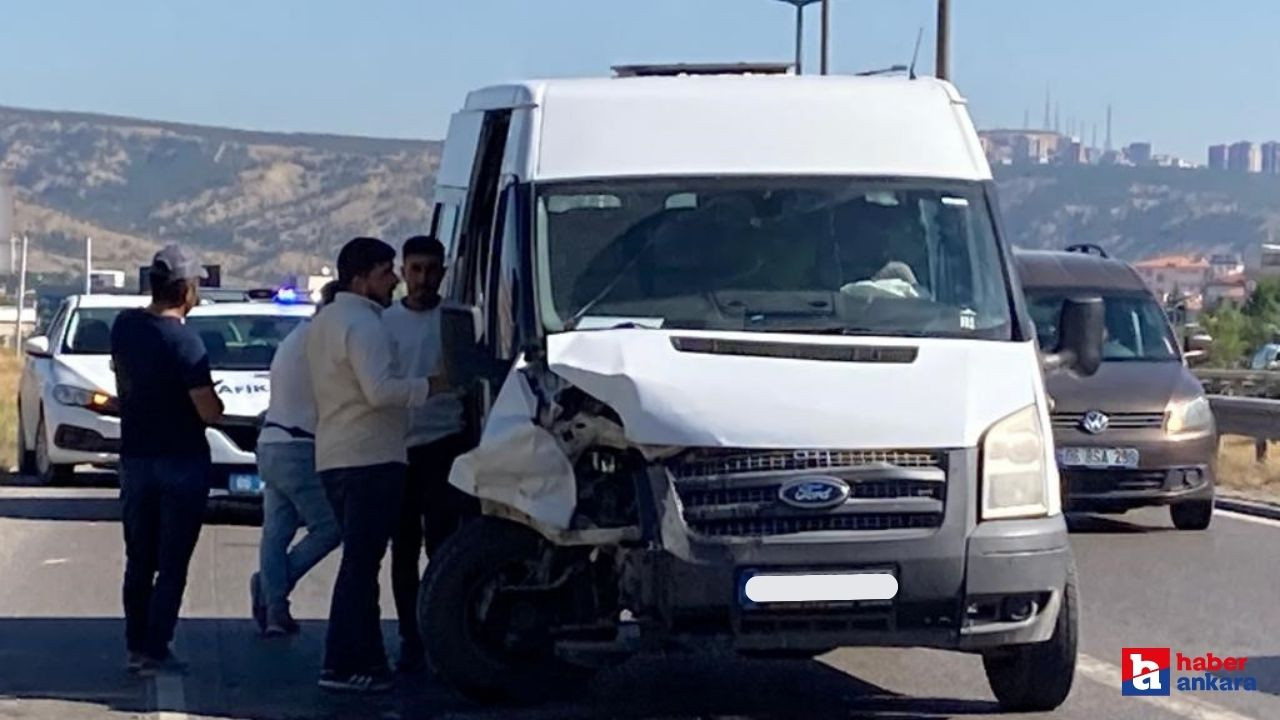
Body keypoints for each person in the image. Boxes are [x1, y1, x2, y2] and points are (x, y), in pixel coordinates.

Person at [307, 237, 430, 694]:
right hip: (371, 457)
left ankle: (366, 660)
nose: (395, 280)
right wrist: (428, 386)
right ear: (360, 279)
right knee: (361, 567)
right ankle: (344, 662)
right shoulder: (364, 325)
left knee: (359, 564)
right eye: (385, 272)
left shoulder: (324, 324)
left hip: (335, 455)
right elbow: (380, 391)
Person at [110, 244, 223, 675]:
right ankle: (156, 647)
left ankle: (135, 643)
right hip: (181, 459)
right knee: (172, 561)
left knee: (139, 557)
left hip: (136, 456)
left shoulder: (125, 327)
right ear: (187, 290)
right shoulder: (186, 342)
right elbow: (206, 410)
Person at [383, 235, 476, 674]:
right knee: (402, 549)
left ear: (443, 272)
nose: (422, 278)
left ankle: (444, 631)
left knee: (444, 545)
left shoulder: (456, 323)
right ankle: (409, 636)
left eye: (431, 270)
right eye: (415, 269)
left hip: (446, 445)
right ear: (403, 272)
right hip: (400, 447)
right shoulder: (383, 324)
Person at [250, 281, 342, 637]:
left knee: (276, 532)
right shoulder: (325, 342)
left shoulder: (295, 338)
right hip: (301, 447)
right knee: (330, 528)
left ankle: (275, 610)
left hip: (272, 441)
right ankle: (271, 588)